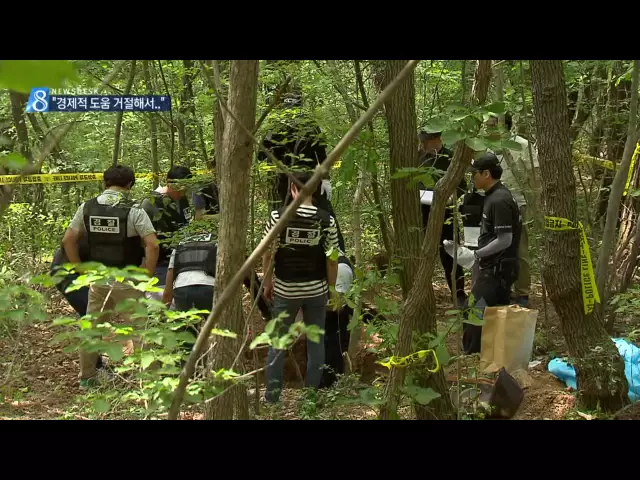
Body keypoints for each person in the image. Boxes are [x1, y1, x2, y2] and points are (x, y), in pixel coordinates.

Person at [61, 165, 159, 388]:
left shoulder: (87, 207)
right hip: (127, 279)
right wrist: (148, 274)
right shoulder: (134, 209)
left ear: (105, 183)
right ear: (130, 185)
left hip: (98, 279)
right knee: (141, 330)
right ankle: (149, 383)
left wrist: (80, 269)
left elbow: (68, 240)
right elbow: (152, 244)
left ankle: (87, 378)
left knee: (92, 330)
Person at [261, 171, 340, 403]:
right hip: (316, 289)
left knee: (278, 342)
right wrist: (333, 291)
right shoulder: (326, 219)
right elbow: (332, 259)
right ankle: (311, 398)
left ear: (292, 188)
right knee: (316, 343)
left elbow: (268, 252)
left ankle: (272, 398)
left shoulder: (279, 216)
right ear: (315, 189)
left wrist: (267, 282)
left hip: (286, 289)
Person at [451, 153, 522, 355]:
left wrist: (476, 255)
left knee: (473, 312)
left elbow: (505, 239)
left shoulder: (499, 200)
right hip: (497, 268)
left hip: (497, 270)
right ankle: (493, 356)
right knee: (496, 314)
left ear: (486, 174)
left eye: (475, 173)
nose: (472, 177)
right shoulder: (494, 196)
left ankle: (472, 356)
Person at [260, 88, 346, 253]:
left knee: (286, 217)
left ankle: (286, 253)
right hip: (308, 180)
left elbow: (262, 155)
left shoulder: (277, 125)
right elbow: (321, 154)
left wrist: (278, 161)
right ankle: (336, 253)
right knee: (323, 214)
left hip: (289, 180)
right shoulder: (309, 124)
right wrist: (325, 179)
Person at [161, 232, 272, 348]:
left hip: (183, 291)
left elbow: (167, 292)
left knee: (187, 340)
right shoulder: (221, 243)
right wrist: (266, 311)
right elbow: (249, 277)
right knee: (222, 336)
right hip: (210, 290)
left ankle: (188, 357)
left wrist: (160, 321)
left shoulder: (179, 248)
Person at [486, 113, 538, 308]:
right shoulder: (488, 149)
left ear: (504, 125)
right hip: (493, 206)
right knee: (495, 248)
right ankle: (501, 288)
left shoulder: (522, 145)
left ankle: (522, 292)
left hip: (518, 204)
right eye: (487, 125)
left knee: (519, 249)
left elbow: (534, 176)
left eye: (493, 125)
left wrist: (533, 204)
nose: (488, 129)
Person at [417, 130, 467, 305]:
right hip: (421, 215)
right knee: (422, 256)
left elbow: (461, 186)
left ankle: (459, 295)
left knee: (450, 255)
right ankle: (422, 295)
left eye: (427, 141)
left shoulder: (451, 158)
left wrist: (451, 198)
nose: (423, 144)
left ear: (437, 139)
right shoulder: (418, 157)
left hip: (445, 215)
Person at [141, 166, 193, 286]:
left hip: (181, 260)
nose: (182, 193)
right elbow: (146, 240)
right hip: (160, 264)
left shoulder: (182, 199)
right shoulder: (151, 203)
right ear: (169, 183)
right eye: (179, 189)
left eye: (185, 189)